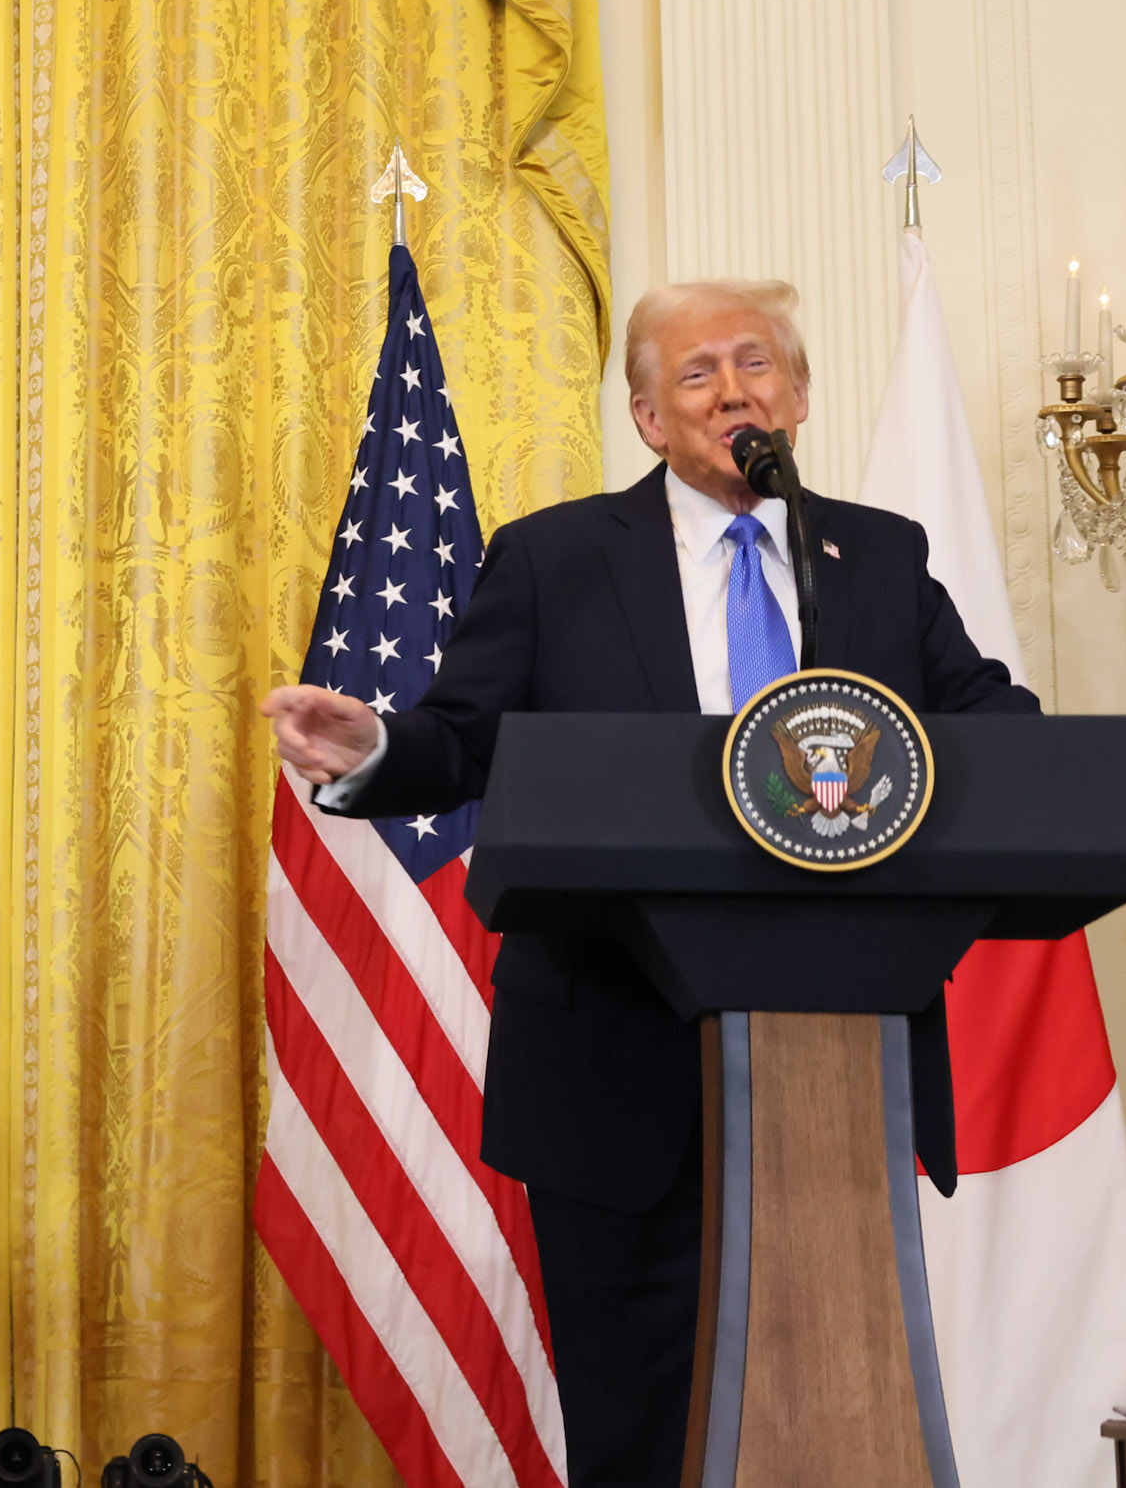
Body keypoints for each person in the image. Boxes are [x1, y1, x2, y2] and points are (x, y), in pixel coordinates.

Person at [262, 280, 1036, 1488]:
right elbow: (463, 741)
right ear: (645, 419)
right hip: (616, 1067)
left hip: (837, 1070)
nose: (731, 391)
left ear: (797, 395)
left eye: (754, 364)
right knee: (637, 1441)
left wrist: (1049, 769)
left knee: (840, 1418)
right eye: (694, 373)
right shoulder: (555, 559)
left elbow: (988, 726)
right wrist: (372, 750)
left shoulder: (877, 557)